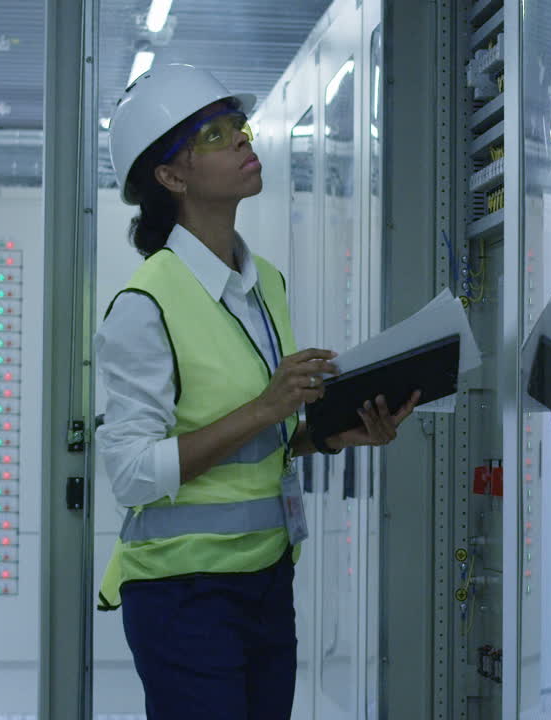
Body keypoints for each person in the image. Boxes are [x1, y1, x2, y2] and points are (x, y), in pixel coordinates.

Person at [92, 64, 420, 719]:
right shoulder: (144, 303)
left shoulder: (263, 282)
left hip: (267, 581)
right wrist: (268, 406)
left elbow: (263, 440)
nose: (243, 139)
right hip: (184, 595)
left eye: (237, 125)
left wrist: (325, 435)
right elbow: (130, 474)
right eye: (215, 134)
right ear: (171, 176)